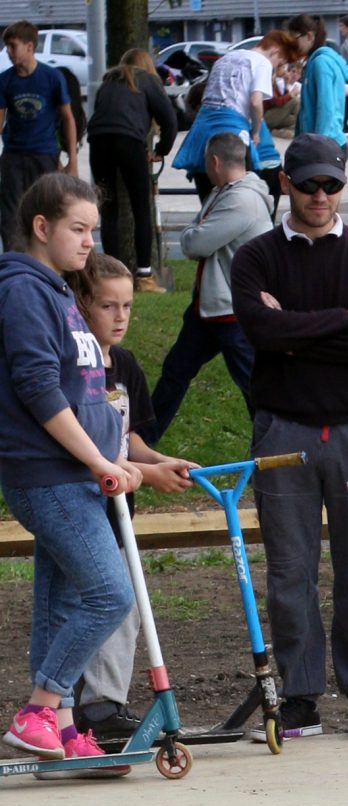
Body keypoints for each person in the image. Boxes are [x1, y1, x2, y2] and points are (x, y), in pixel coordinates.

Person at [231, 130, 348, 738]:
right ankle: (299, 695)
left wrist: (296, 331)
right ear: (286, 184)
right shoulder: (255, 258)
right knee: (289, 571)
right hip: (283, 430)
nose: (321, 196)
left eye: (332, 185)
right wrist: (341, 321)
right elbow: (261, 332)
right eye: (308, 185)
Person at [0, 173, 139, 760]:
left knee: (61, 603)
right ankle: (37, 708)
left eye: (93, 230)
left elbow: (82, 392)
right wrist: (99, 459)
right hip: (49, 475)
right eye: (78, 229)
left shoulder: (56, 291)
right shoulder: (22, 291)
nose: (89, 242)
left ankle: (57, 727)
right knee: (111, 593)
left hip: (75, 475)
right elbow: (38, 389)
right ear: (41, 227)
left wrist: (112, 456)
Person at [69, 250, 193, 739]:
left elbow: (130, 438)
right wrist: (148, 472)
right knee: (106, 601)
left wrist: (162, 461)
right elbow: (89, 446)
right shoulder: (75, 367)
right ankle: (89, 705)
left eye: (127, 306)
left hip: (121, 507)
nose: (120, 317)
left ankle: (103, 704)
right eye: (108, 306)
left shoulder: (125, 365)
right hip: (83, 501)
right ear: (82, 304)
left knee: (128, 606)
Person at [150, 128, 269, 436]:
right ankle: (141, 440)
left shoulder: (241, 200)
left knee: (254, 388)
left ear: (214, 161)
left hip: (232, 312)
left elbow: (194, 244)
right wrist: (197, 231)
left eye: (205, 162)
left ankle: (277, 447)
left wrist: (197, 231)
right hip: (210, 308)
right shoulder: (223, 193)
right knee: (175, 372)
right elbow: (197, 236)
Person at [86, 47, 174, 291]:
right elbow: (169, 120)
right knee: (141, 207)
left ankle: (111, 273)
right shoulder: (147, 80)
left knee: (109, 208)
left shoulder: (108, 81)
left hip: (98, 140)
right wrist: (161, 150)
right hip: (129, 141)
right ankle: (144, 275)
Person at [175, 32, 291, 205]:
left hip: (201, 135)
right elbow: (256, 102)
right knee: (240, 201)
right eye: (279, 63)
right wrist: (256, 132)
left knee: (210, 207)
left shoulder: (224, 60)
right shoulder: (261, 62)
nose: (276, 69)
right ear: (275, 51)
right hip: (235, 139)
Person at [1, 21, 77, 246]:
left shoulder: (51, 77)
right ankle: (14, 259)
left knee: (46, 208)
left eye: (13, 46)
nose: (8, 51)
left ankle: (45, 257)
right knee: (11, 214)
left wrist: (72, 161)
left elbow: (68, 118)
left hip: (44, 153)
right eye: (6, 46)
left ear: (29, 47)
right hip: (14, 154)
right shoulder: (5, 80)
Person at [288, 16, 348, 144]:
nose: (292, 45)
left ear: (309, 36)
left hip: (325, 144)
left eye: (294, 39)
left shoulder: (320, 63)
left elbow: (326, 109)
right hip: (323, 142)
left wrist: (317, 145)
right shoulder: (316, 62)